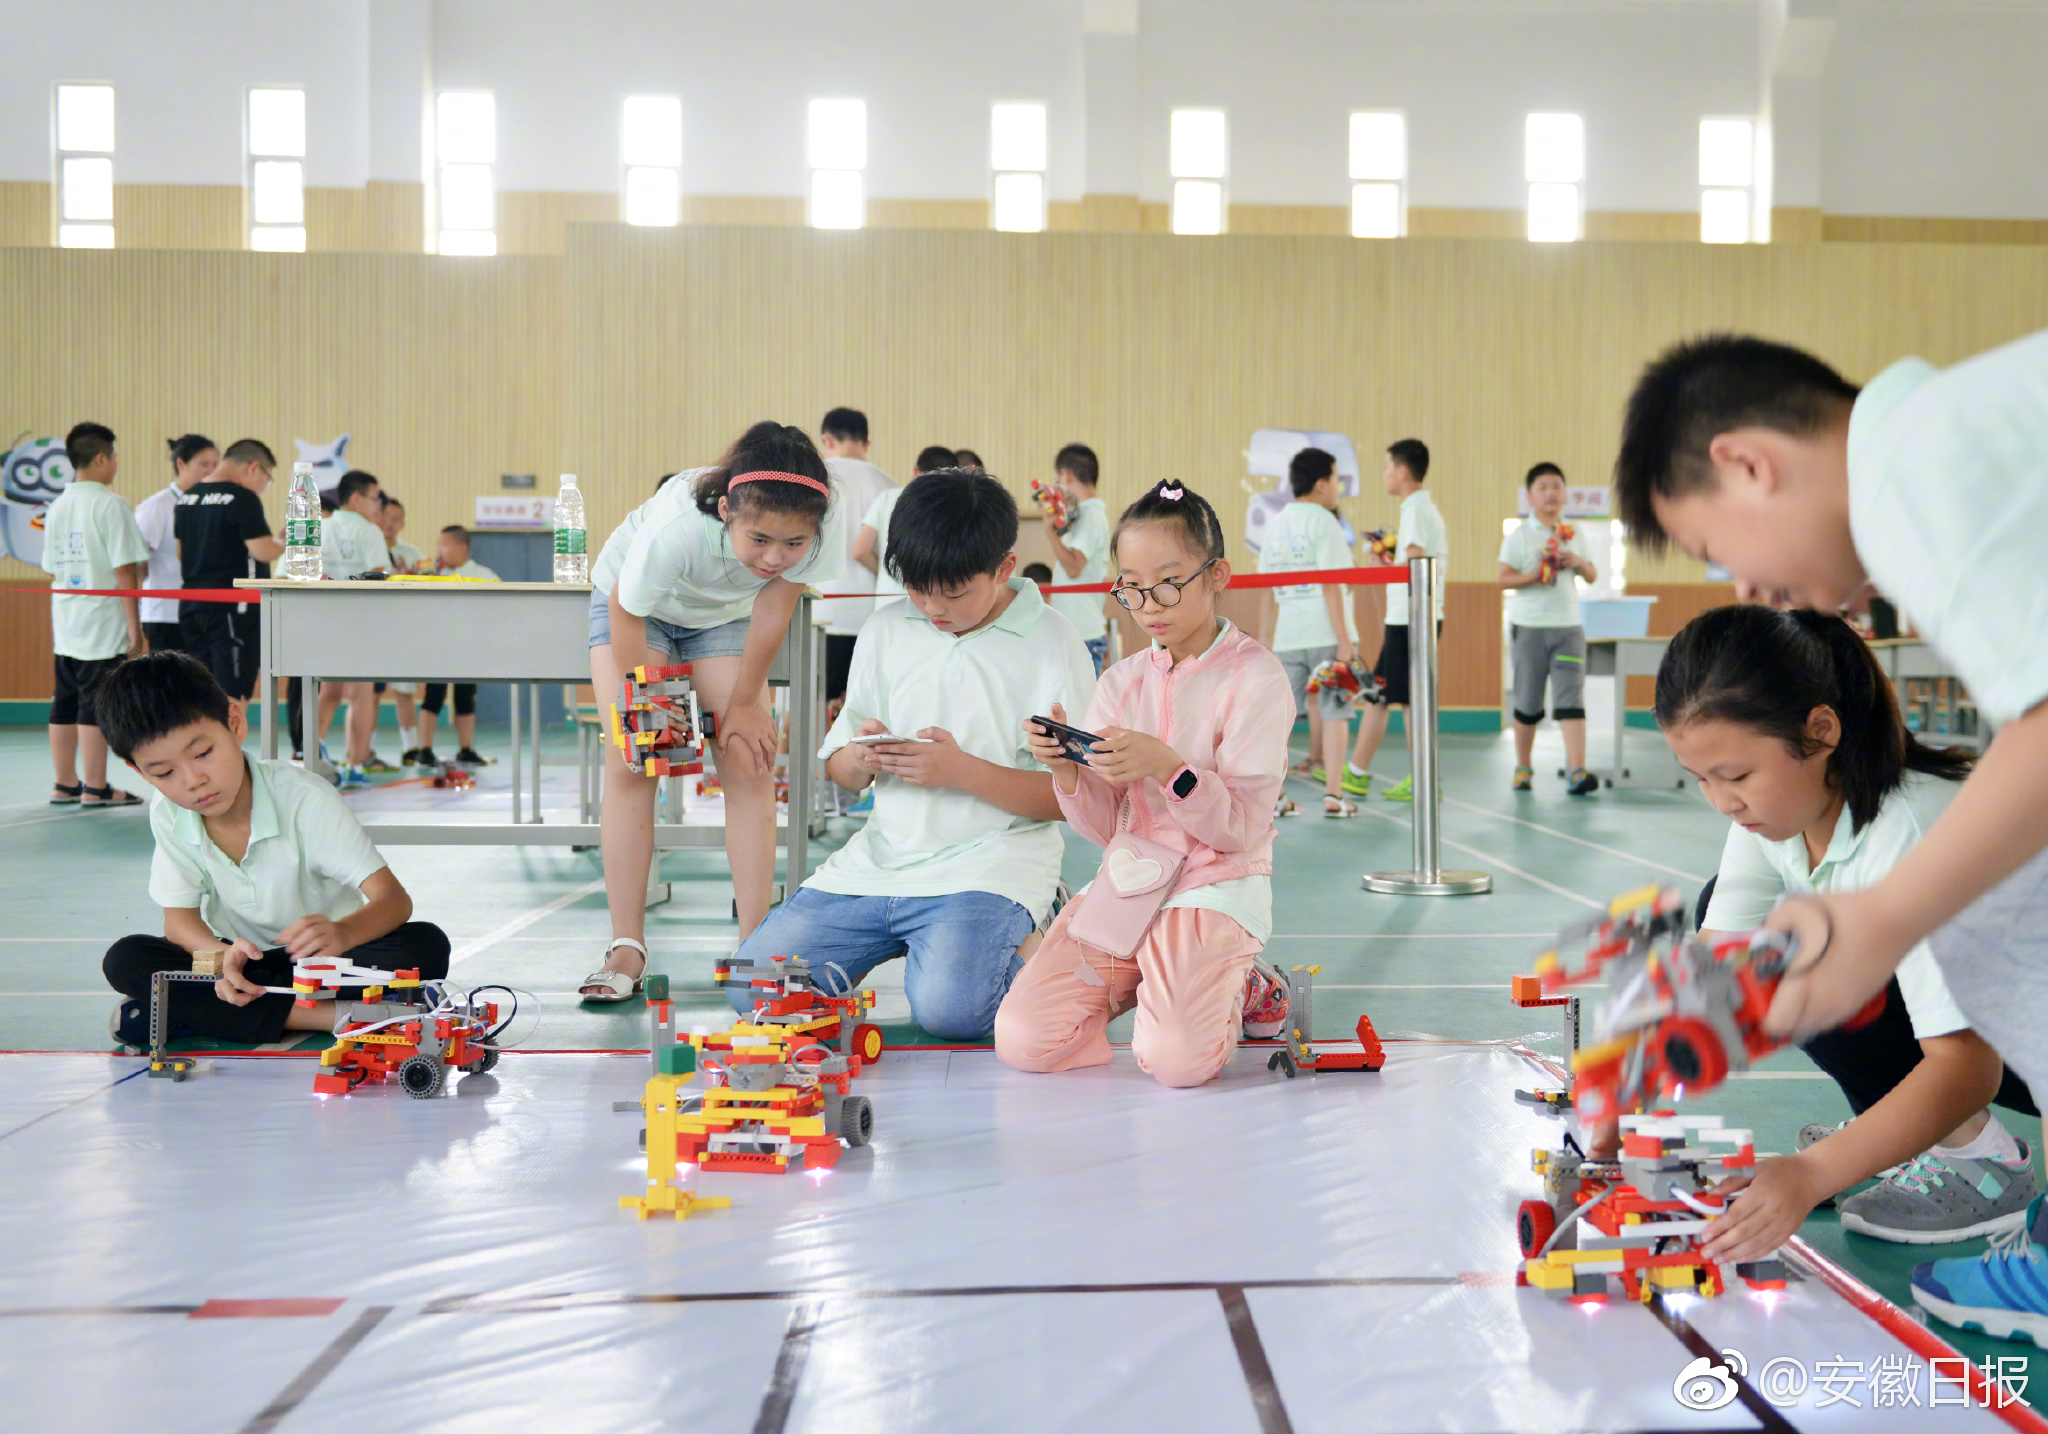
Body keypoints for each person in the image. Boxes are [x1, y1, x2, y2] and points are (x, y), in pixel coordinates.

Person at [1610, 330, 2048, 1345]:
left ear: (1745, 464)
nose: (1755, 588)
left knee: (1983, 924)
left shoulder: (1911, 474)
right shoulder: (1944, 434)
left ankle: (1985, 1167)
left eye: (1722, 553)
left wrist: (1883, 918)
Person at [1644, 607, 2034, 1270]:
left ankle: (1980, 1161)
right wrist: (1635, 1093)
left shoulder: (1912, 836)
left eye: (1735, 777)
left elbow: (1968, 1069)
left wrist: (1811, 1173)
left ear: (1820, 732)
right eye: (1700, 779)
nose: (1720, 802)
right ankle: (1913, 1137)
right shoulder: (1781, 814)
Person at [725, 470, 1096, 1039]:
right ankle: (947, 948)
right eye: (918, 588)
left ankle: (1034, 921)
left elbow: (1075, 800)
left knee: (953, 1012)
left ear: (1004, 568)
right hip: (877, 864)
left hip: (988, 867)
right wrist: (862, 757)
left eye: (952, 593)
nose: (930, 607)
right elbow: (840, 772)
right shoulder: (885, 628)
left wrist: (962, 772)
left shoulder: (1053, 641)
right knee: (754, 983)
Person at [995, 480, 1295, 1088]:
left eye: (1167, 581)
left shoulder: (1256, 678)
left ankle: (1251, 982)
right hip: (1132, 878)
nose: (1147, 603)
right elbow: (1109, 830)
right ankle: (1159, 977)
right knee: (1024, 1039)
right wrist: (1065, 769)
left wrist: (1168, 768)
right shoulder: (1122, 682)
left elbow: (1239, 829)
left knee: (1176, 1063)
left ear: (1217, 575)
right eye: (1130, 585)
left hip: (1213, 882)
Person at [578, 422, 847, 1001]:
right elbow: (628, 608)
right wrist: (648, 704)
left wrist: (747, 701)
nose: (776, 557)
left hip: (725, 614)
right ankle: (627, 944)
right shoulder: (676, 527)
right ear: (726, 509)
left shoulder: (823, 516)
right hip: (634, 609)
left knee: (750, 759)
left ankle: (754, 944)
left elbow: (776, 601)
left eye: (793, 544)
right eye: (759, 540)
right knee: (635, 762)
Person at [95, 654, 450, 1050]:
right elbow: (178, 923)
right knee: (126, 959)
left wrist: (343, 931)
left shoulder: (303, 798)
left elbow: (394, 901)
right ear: (139, 772)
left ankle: (189, 1014)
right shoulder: (168, 812)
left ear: (234, 722)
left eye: (202, 754)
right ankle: (336, 1017)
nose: (194, 781)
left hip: (322, 961)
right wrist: (221, 957)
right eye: (164, 774)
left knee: (426, 945)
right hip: (239, 962)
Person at [42, 422, 148, 808]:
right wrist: (134, 626)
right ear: (101, 458)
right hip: (102, 620)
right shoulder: (109, 504)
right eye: (115, 456)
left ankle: (65, 783)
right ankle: (96, 786)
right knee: (95, 700)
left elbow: (51, 566)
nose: (116, 463)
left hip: (66, 619)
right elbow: (125, 569)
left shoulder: (57, 506)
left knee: (64, 697)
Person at [1342, 439, 1444, 802]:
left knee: (1410, 699)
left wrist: (1378, 570)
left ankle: (1424, 780)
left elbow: (1415, 563)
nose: (1384, 475)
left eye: (1387, 467)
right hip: (1405, 617)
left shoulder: (1416, 509)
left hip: (1412, 618)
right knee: (1381, 693)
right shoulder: (1417, 509)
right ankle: (1356, 771)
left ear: (1402, 471)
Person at [1258, 447, 1358, 817]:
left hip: (1288, 636)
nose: (1337, 489)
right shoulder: (1325, 521)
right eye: (1335, 480)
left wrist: (1266, 637)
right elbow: (1332, 584)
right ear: (1321, 484)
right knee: (1334, 712)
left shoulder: (1277, 523)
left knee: (1280, 720)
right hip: (1325, 634)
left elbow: (1267, 586)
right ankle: (1333, 795)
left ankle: (1275, 797)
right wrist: (1345, 640)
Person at [1499, 462, 1599, 795]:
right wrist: (1535, 574)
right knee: (1527, 702)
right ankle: (1523, 768)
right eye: (1543, 487)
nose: (1551, 492)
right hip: (1529, 628)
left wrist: (1579, 562)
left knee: (1571, 700)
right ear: (1530, 496)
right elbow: (1503, 579)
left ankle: (1577, 771)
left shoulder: (1574, 533)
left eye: (1557, 485)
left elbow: (1592, 574)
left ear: (1565, 493)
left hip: (1569, 627)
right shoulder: (1520, 535)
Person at [174, 439, 283, 708]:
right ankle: (229, 749)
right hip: (233, 609)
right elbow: (263, 551)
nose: (264, 487)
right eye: (267, 478)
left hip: (191, 605)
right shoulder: (242, 498)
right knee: (232, 689)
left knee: (200, 688)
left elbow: (181, 552)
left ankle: (205, 749)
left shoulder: (187, 497)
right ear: (253, 467)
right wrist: (286, 542)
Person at [312, 470, 391, 789]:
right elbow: (378, 576)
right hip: (360, 622)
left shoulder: (318, 526)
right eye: (376, 498)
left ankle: (309, 751)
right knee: (361, 695)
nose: (379, 506)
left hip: (323, 620)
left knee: (328, 692)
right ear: (356, 499)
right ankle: (355, 766)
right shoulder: (369, 531)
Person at [815, 407, 897, 705]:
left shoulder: (815, 477)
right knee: (861, 705)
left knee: (811, 705)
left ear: (827, 439)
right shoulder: (887, 483)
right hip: (870, 613)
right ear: (866, 444)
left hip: (821, 612)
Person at [409, 526, 499, 767]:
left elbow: (497, 609)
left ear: (463, 548)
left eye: (445, 545)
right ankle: (425, 749)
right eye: (439, 545)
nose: (440, 550)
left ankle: (466, 749)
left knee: (465, 698)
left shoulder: (484, 575)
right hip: (438, 647)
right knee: (433, 697)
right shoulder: (432, 574)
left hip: (468, 648)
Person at [134, 435, 218, 655]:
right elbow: (137, 563)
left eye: (215, 465)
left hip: (204, 614)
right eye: (204, 464)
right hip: (166, 616)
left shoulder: (212, 505)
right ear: (181, 464)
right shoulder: (157, 506)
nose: (211, 471)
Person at [853, 447, 956, 612]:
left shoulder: (888, 498)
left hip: (888, 602)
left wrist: (886, 570)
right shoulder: (952, 507)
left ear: (916, 471)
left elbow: (860, 551)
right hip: (934, 605)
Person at [363, 495, 424, 768]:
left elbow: (425, 586)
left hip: (403, 629)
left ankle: (411, 748)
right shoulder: (368, 545)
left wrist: (406, 574)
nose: (391, 523)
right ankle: (367, 748)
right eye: (387, 517)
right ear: (378, 517)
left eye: (397, 519)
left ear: (403, 524)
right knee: (371, 692)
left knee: (404, 690)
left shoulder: (412, 554)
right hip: (373, 628)